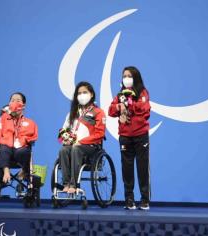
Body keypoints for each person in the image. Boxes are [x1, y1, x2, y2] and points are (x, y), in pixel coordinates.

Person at [108, 66, 151, 210]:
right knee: (127, 169)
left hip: (140, 136)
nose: (126, 78)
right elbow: (111, 110)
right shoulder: (120, 95)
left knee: (142, 167)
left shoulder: (142, 93)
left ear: (135, 78)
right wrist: (120, 106)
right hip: (125, 136)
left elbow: (143, 109)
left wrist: (129, 104)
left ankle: (144, 199)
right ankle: (129, 199)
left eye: (129, 76)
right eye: (124, 76)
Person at [58, 81, 106, 194]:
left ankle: (74, 185)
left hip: (91, 147)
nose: (81, 95)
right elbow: (63, 130)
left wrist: (81, 142)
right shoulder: (72, 113)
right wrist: (65, 139)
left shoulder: (98, 112)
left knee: (76, 148)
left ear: (92, 94)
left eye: (85, 92)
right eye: (79, 93)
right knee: (64, 150)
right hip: (74, 146)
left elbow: (100, 134)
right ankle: (66, 183)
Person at [0, 92, 38, 183]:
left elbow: (33, 136)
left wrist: (24, 140)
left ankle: (23, 171)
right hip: (7, 147)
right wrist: (5, 140)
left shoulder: (30, 122)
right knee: (3, 149)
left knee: (24, 151)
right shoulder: (4, 119)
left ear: (23, 105)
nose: (14, 102)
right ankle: (6, 172)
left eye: (18, 100)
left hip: (20, 149)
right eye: (12, 100)